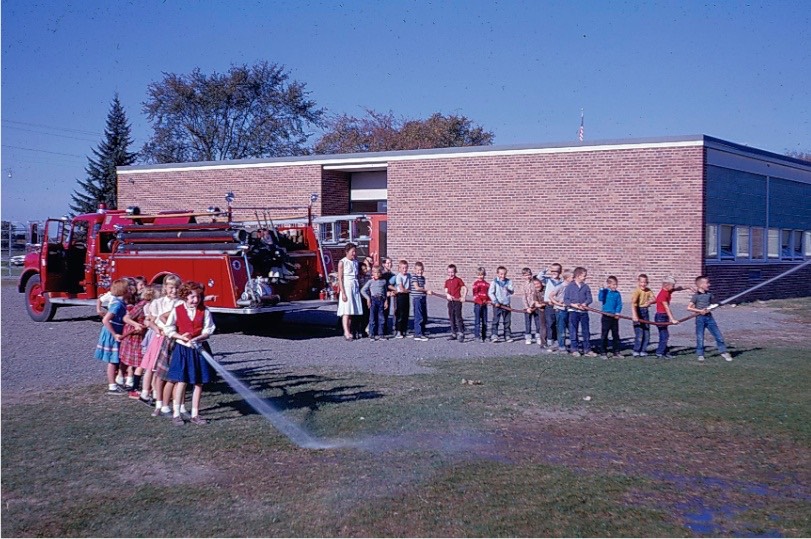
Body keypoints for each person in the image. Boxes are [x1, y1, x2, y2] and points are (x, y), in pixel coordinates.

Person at [164, 281, 216, 425]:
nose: (196, 300)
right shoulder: (177, 310)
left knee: (198, 382)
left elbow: (209, 329)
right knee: (182, 380)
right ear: (184, 296)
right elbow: (169, 329)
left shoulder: (205, 311)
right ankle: (176, 413)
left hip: (199, 349)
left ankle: (195, 414)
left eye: (198, 297)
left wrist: (199, 338)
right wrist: (180, 337)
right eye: (192, 297)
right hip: (182, 349)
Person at [143, 274, 183, 417]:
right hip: (160, 339)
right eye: (171, 287)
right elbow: (149, 320)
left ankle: (176, 404)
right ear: (165, 287)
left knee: (174, 374)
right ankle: (158, 403)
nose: (174, 291)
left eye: (177, 288)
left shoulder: (181, 303)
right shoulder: (158, 303)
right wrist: (155, 328)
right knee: (158, 372)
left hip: (175, 339)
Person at [94, 278, 131, 394]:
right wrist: (114, 334)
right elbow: (106, 320)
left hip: (116, 332)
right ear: (124, 291)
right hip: (112, 333)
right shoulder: (117, 305)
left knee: (116, 359)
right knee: (112, 360)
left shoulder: (121, 303)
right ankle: (112, 386)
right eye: (129, 288)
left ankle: (116, 383)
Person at [687, 276, 733, 362]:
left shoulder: (709, 294)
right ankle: (700, 354)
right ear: (700, 285)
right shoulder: (696, 296)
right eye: (707, 283)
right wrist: (700, 311)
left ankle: (723, 352)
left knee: (718, 336)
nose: (709, 284)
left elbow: (714, 303)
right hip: (700, 318)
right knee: (700, 337)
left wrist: (713, 307)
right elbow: (689, 308)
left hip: (709, 317)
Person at [121, 285, 151, 398]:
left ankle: (136, 386)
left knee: (141, 363)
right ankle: (133, 388)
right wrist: (136, 324)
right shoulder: (141, 305)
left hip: (143, 335)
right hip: (136, 337)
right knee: (140, 363)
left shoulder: (150, 305)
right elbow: (126, 318)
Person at [564, 267, 597, 357]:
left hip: (583, 312)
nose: (585, 277)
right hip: (573, 311)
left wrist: (585, 304)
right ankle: (574, 349)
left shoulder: (586, 287)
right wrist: (573, 305)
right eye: (584, 276)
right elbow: (566, 300)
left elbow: (589, 298)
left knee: (586, 331)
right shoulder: (569, 287)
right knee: (573, 330)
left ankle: (587, 349)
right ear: (578, 276)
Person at [337, 243, 363, 340]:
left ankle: (350, 330)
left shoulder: (355, 262)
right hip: (346, 286)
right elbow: (340, 278)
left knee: (352, 311)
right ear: (347, 252)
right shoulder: (342, 262)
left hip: (354, 286)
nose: (354, 253)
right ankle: (346, 332)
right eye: (352, 251)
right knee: (346, 311)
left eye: (355, 251)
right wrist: (343, 292)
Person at [654, 276, 683, 359]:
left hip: (664, 316)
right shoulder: (662, 295)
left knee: (664, 335)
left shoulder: (668, 291)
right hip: (660, 317)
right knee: (664, 335)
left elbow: (678, 288)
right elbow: (667, 308)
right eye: (672, 285)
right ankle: (659, 353)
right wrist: (672, 319)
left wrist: (688, 287)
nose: (673, 287)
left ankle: (664, 352)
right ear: (666, 285)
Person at [361, 265, 389, 341]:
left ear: (380, 273)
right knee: (372, 318)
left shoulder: (383, 281)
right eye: (374, 272)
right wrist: (368, 298)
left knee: (381, 318)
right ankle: (372, 334)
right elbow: (363, 290)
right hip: (373, 300)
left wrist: (386, 301)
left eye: (378, 272)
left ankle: (381, 334)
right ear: (372, 273)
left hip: (381, 300)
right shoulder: (370, 282)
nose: (376, 274)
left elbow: (385, 292)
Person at [630, 273, 655, 357]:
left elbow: (654, 299)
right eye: (641, 282)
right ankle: (636, 350)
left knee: (646, 332)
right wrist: (634, 315)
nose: (643, 284)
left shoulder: (648, 290)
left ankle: (643, 350)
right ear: (638, 282)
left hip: (645, 311)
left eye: (645, 282)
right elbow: (633, 303)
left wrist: (650, 302)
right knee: (639, 333)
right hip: (638, 311)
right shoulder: (637, 291)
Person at [598, 276, 623, 358]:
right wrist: (601, 289)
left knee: (616, 334)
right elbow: (600, 298)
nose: (615, 286)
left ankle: (616, 351)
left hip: (614, 316)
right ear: (608, 285)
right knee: (604, 334)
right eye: (613, 284)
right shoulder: (605, 292)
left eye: (616, 284)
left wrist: (617, 312)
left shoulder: (617, 294)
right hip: (606, 316)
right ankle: (603, 352)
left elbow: (619, 304)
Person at [488, 266, 514, 343]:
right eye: (501, 274)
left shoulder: (509, 281)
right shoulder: (494, 282)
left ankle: (507, 335)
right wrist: (495, 301)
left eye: (504, 274)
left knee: (507, 321)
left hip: (506, 304)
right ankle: (494, 334)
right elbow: (490, 293)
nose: (503, 276)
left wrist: (508, 289)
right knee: (496, 320)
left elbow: (512, 291)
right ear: (497, 274)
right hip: (497, 305)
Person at [548, 270, 572, 352]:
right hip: (560, 310)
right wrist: (558, 303)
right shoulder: (560, 286)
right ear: (567, 278)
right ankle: (561, 345)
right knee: (561, 328)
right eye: (572, 277)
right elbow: (551, 296)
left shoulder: (571, 286)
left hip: (569, 309)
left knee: (570, 327)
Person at [540, 263, 562, 346]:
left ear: (560, 271)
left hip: (558, 304)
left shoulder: (561, 282)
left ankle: (556, 338)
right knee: (549, 322)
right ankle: (549, 338)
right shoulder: (548, 280)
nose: (554, 272)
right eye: (552, 271)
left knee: (558, 322)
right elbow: (539, 277)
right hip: (549, 304)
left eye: (556, 271)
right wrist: (545, 271)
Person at [444, 264, 467, 342]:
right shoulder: (447, 281)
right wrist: (447, 295)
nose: (451, 274)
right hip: (450, 302)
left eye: (452, 272)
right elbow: (446, 290)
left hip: (457, 301)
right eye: (449, 272)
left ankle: (461, 333)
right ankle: (454, 333)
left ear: (455, 272)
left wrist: (463, 296)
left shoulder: (458, 280)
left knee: (458, 317)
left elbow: (464, 288)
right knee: (451, 317)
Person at [518, 267, 538, 344]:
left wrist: (535, 303)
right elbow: (524, 297)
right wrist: (527, 307)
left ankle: (538, 336)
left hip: (535, 305)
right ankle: (528, 337)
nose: (528, 276)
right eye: (526, 275)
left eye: (529, 275)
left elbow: (536, 294)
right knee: (528, 322)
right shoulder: (523, 285)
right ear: (523, 276)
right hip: (527, 307)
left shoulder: (534, 283)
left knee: (537, 321)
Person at [410, 262, 429, 341]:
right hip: (417, 298)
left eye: (421, 270)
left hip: (423, 297)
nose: (419, 272)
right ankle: (418, 334)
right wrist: (426, 290)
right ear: (414, 270)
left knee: (424, 315)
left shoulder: (422, 278)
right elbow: (417, 288)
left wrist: (426, 292)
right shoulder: (414, 278)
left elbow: (422, 287)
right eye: (418, 270)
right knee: (419, 316)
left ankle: (422, 331)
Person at [393, 260, 411, 338]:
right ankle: (398, 331)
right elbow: (402, 288)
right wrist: (408, 290)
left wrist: (408, 290)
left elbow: (410, 286)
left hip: (406, 296)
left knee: (406, 313)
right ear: (399, 269)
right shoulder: (399, 276)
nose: (405, 270)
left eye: (406, 268)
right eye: (403, 268)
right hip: (400, 295)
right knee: (400, 313)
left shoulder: (409, 275)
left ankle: (404, 330)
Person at [471, 267, 490, 342]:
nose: (480, 276)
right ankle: (477, 335)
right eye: (479, 275)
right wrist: (479, 301)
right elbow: (475, 294)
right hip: (478, 304)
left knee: (485, 321)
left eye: (482, 275)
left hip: (484, 304)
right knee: (477, 321)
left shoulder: (487, 284)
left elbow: (488, 294)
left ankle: (484, 335)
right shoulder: (476, 284)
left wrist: (489, 300)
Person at [355, 260, 371, 339]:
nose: (365, 270)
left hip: (367, 298)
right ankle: (358, 330)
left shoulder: (368, 277)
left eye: (366, 269)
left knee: (366, 315)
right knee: (359, 315)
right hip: (360, 298)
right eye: (364, 269)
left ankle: (364, 330)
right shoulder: (357, 278)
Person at [529, 277, 548, 347]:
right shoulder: (535, 292)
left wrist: (542, 304)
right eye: (535, 284)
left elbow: (549, 300)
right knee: (542, 326)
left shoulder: (546, 289)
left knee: (550, 325)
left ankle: (551, 340)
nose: (537, 285)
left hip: (549, 309)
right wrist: (535, 305)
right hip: (541, 310)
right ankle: (543, 342)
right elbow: (536, 302)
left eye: (538, 283)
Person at [380, 257, 396, 335]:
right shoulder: (382, 275)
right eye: (388, 263)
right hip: (382, 295)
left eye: (390, 263)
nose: (390, 264)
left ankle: (386, 329)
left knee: (387, 312)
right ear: (383, 264)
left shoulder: (392, 275)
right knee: (381, 312)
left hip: (389, 295)